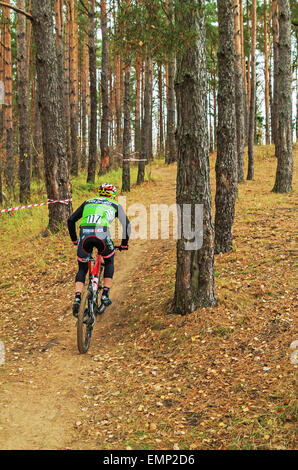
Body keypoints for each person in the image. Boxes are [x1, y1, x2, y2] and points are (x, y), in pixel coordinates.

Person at [67, 183, 131, 317]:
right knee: (109, 261)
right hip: (102, 234)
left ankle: (78, 297)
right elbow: (127, 224)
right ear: (113, 194)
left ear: (99, 192)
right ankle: (105, 295)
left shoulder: (88, 202)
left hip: (84, 235)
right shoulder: (114, 205)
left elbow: (71, 220)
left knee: (82, 269)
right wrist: (124, 244)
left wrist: (74, 239)